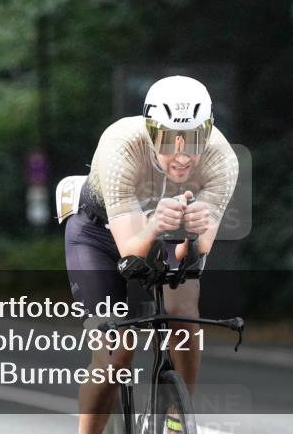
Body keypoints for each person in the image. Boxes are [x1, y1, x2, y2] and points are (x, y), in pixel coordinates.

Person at [63, 75, 239, 434]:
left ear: (207, 133)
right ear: (148, 131)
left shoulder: (222, 160)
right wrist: (155, 224)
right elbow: (130, 252)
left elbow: (195, 256)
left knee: (184, 317)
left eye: (192, 140)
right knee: (116, 354)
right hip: (100, 234)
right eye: (166, 139)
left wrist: (192, 234)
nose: (181, 154)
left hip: (167, 232)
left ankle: (179, 418)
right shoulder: (119, 146)